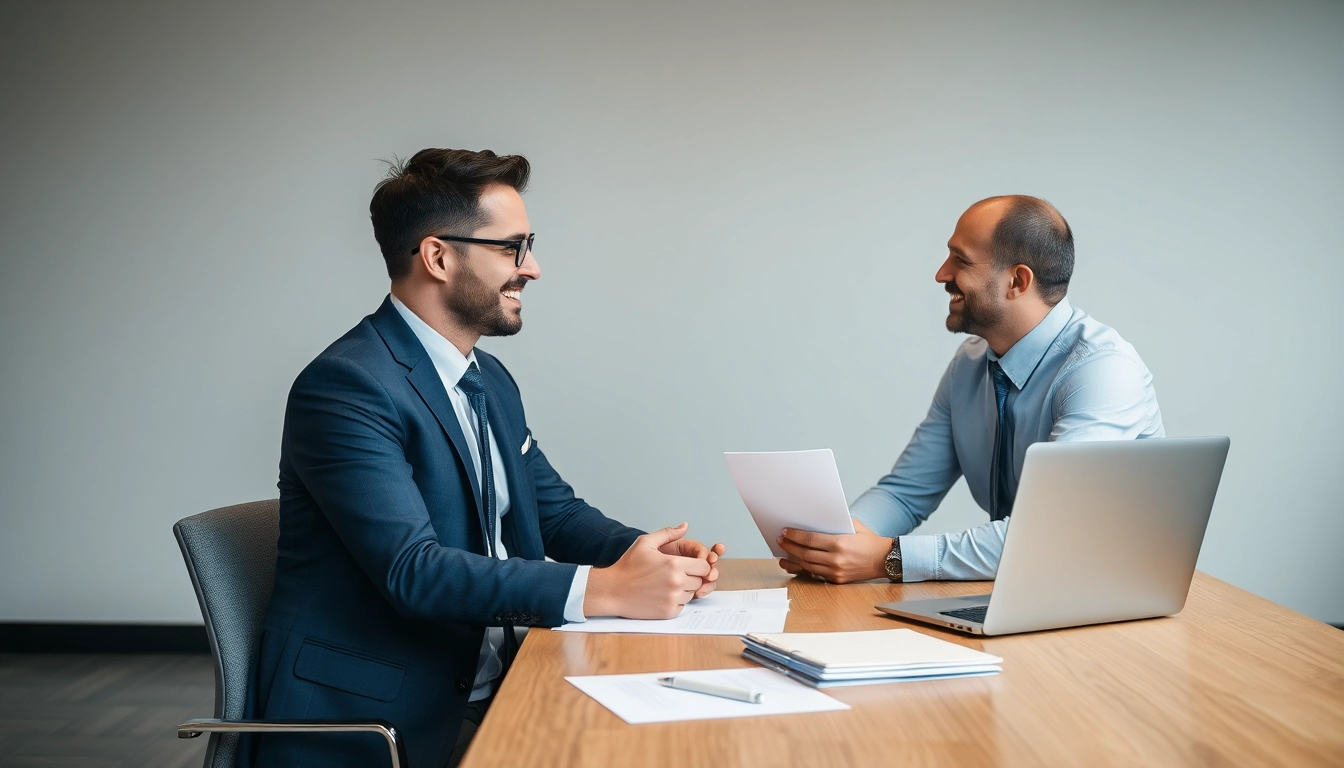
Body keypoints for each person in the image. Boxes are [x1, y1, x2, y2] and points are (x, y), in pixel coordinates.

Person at [247, 148, 726, 768]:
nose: (533, 269)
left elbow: (553, 512)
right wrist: (605, 590)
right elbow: (412, 571)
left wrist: (644, 556)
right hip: (381, 722)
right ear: (438, 256)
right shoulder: (346, 386)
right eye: (512, 248)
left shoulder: (488, 380)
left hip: (492, 689)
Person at [777, 196, 1162, 585]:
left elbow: (1049, 534)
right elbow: (906, 492)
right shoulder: (971, 363)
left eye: (960, 261)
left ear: (1017, 281)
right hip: (1026, 591)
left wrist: (888, 558)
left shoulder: (1102, 372)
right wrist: (837, 543)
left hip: (1108, 604)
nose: (941, 275)